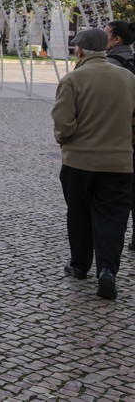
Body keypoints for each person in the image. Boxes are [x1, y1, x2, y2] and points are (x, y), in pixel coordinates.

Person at [53, 29, 135, 300]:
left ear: (80, 51)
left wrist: (65, 141)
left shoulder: (73, 79)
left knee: (78, 213)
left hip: (79, 162)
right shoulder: (128, 78)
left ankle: (79, 265)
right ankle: (108, 270)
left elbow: (64, 124)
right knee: (112, 218)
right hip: (119, 163)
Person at [103, 20, 135, 250]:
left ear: (117, 40)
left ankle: (108, 244)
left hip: (116, 138)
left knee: (111, 196)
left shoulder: (110, 66)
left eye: (106, 35)